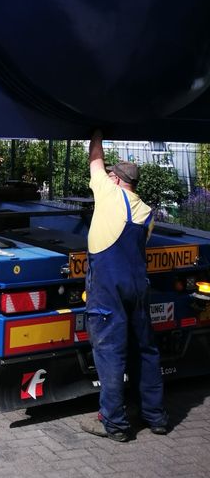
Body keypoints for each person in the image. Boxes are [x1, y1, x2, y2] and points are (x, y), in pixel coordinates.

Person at [80, 130, 168, 441]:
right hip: (137, 286)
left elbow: (95, 159)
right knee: (145, 349)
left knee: (110, 352)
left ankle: (114, 422)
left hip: (108, 287)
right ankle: (156, 416)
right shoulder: (147, 213)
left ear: (116, 179)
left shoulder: (108, 192)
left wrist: (96, 134)